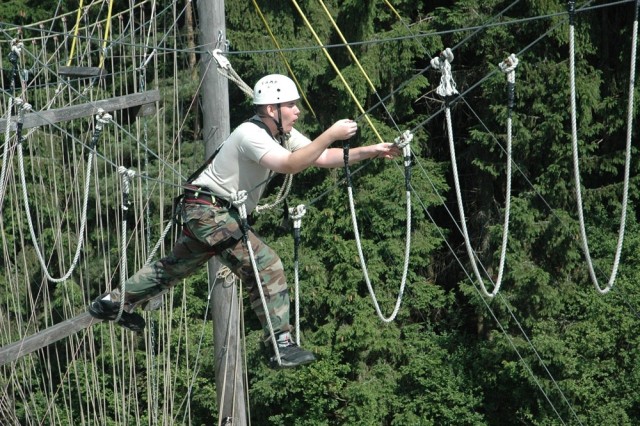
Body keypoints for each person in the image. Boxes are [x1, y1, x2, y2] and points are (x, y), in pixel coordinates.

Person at [88, 74, 401, 368]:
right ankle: (280, 343)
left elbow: (320, 157)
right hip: (210, 211)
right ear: (271, 109)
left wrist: (373, 150)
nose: (297, 111)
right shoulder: (250, 134)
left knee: (172, 268)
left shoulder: (282, 133)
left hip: (209, 212)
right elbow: (291, 165)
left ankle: (112, 302)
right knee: (266, 265)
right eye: (291, 105)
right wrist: (330, 133)